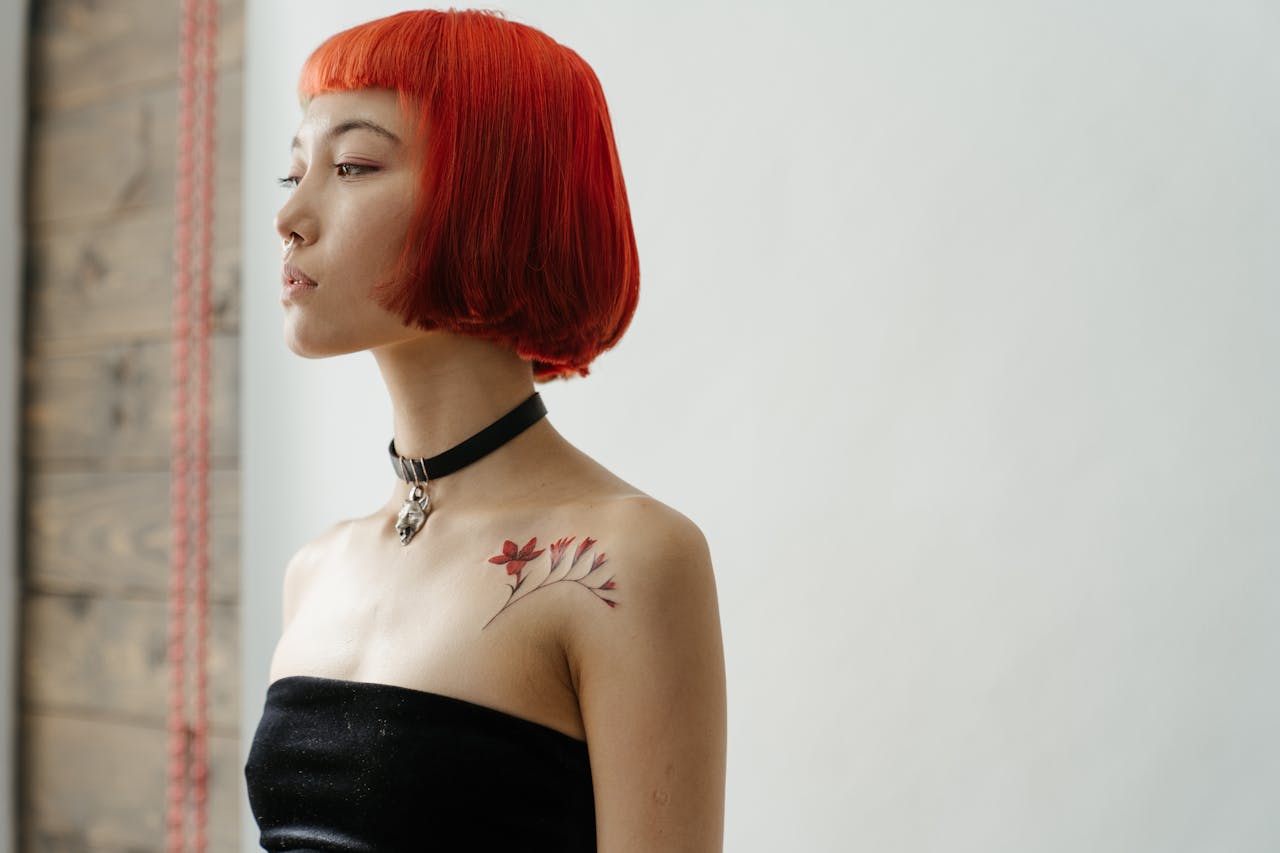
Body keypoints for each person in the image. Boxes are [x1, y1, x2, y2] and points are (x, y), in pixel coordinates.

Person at [242, 9, 727, 852]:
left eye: (352, 165)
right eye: (293, 175)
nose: (292, 216)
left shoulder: (626, 559)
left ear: (491, 199)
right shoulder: (316, 568)